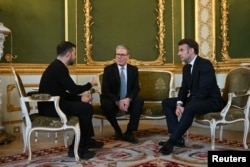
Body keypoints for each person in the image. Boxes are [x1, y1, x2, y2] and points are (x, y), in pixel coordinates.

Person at [38, 41, 104, 160]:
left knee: (84, 106)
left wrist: (81, 98)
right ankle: (76, 149)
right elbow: (73, 89)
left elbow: (62, 94)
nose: (75, 56)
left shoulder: (56, 66)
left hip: (52, 104)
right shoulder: (59, 68)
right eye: (74, 53)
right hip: (52, 108)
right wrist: (90, 84)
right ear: (68, 54)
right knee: (87, 109)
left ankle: (87, 141)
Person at [160, 39, 225, 155]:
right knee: (167, 102)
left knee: (190, 106)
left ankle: (171, 141)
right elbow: (184, 88)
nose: (178, 53)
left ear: (191, 51)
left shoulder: (205, 64)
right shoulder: (186, 68)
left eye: (181, 50)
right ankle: (178, 138)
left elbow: (204, 90)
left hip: (211, 100)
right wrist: (179, 104)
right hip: (196, 99)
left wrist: (188, 104)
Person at [100, 45, 144, 144]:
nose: (119, 57)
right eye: (117, 54)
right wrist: (117, 101)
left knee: (139, 101)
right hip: (113, 100)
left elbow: (136, 88)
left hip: (127, 100)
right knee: (105, 103)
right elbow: (105, 90)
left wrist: (128, 99)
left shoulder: (133, 69)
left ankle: (129, 132)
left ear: (128, 56)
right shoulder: (108, 70)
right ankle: (118, 131)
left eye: (122, 55)